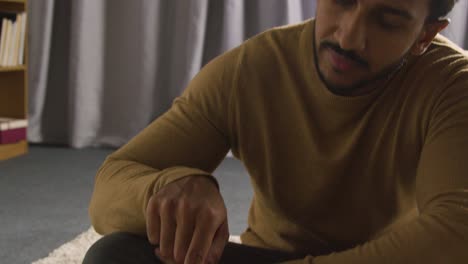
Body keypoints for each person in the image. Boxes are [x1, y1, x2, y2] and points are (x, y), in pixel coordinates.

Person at [83, 0, 468, 263]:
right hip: (270, 255)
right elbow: (109, 189)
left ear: (425, 34)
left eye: (386, 20)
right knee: (115, 254)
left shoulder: (454, 83)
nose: (348, 37)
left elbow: (456, 232)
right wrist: (172, 184)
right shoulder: (253, 67)